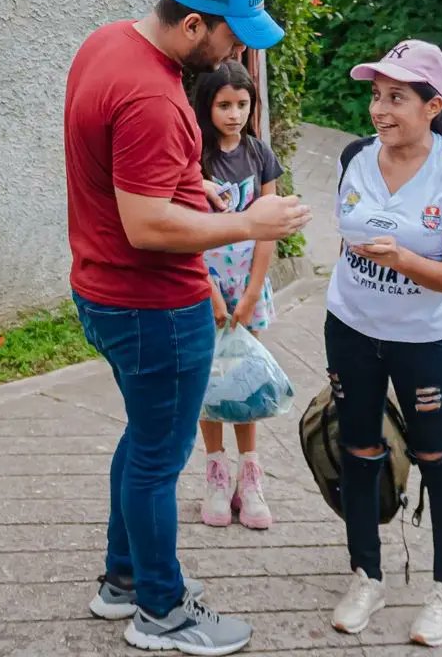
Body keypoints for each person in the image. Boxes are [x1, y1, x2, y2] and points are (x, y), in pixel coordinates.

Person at [64, 0, 311, 656]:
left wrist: (183, 181)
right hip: (155, 307)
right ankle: (162, 610)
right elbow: (146, 226)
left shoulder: (108, 44)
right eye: (233, 35)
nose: (239, 51)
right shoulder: (155, 98)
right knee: (158, 456)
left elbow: (125, 169)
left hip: (103, 290)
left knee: (142, 439)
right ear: (194, 23)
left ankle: (122, 582)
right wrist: (248, 221)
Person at [323, 40, 442, 647]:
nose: (379, 109)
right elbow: (344, 239)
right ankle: (366, 575)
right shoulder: (353, 157)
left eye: (396, 97)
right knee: (360, 452)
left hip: (420, 341)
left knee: (435, 458)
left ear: (432, 104)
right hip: (349, 327)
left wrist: (403, 258)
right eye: (375, 95)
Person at [191, 60, 283, 531]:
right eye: (224, 104)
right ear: (206, 107)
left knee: (245, 377)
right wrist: (209, 292)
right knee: (210, 377)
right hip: (203, 285)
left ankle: (250, 475)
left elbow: (268, 228)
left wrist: (249, 296)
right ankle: (215, 472)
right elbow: (187, 228)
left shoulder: (261, 155)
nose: (234, 114)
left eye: (242, 104)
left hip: (249, 285)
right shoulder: (195, 160)